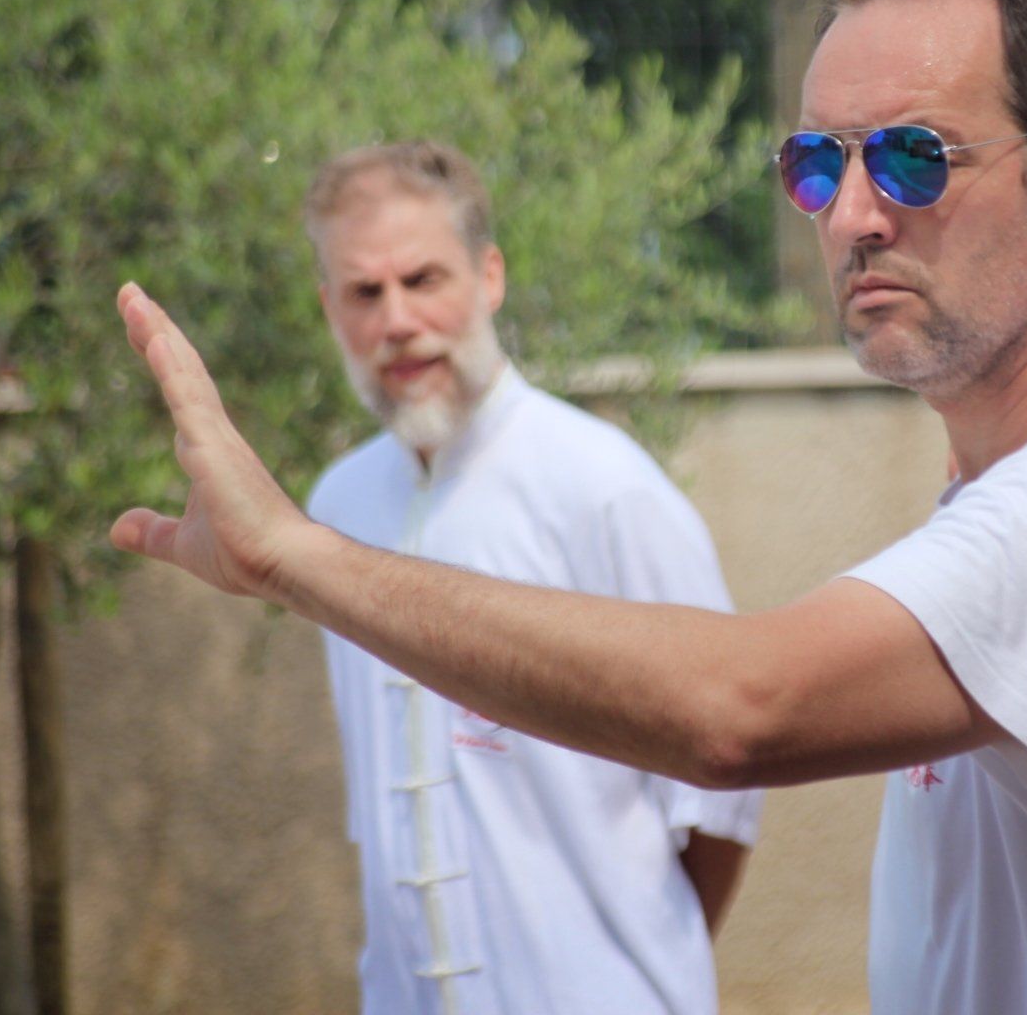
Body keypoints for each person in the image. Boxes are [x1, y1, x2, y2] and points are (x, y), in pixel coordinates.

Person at [111, 0, 1027, 1014]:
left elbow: (733, 715)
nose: (857, 214)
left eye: (916, 155)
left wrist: (293, 556)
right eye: (819, 162)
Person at [300, 141, 760, 1015]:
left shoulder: (602, 487)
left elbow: (723, 799)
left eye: (423, 279)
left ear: (490, 277)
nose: (397, 320)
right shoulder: (338, 506)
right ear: (330, 310)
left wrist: (622, 962)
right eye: (366, 292)